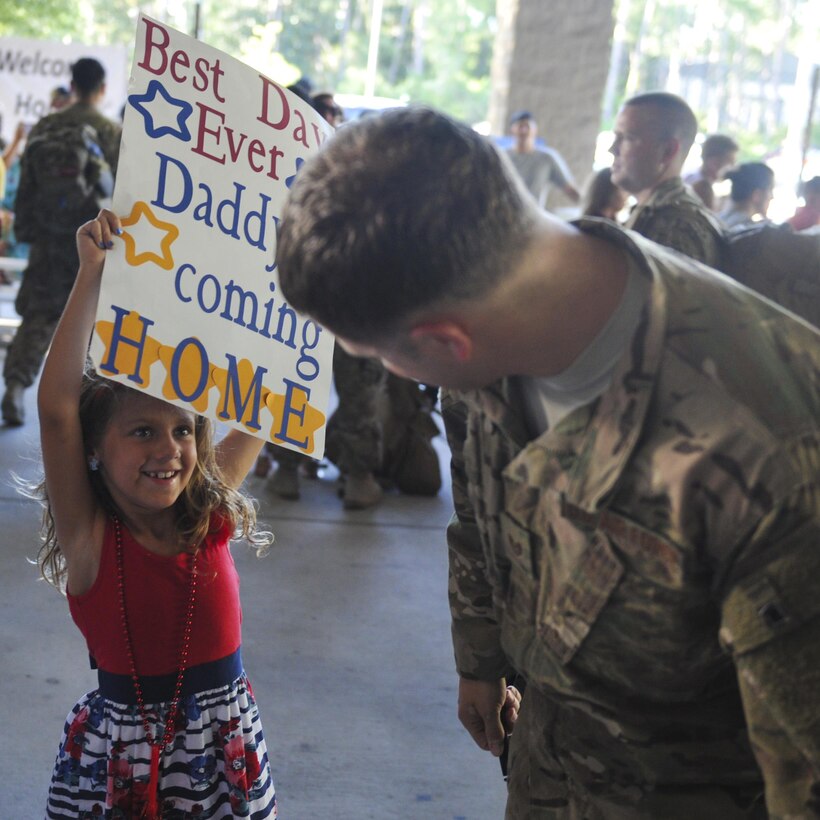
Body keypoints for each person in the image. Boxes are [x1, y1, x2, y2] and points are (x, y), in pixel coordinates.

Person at [274, 106, 820, 819]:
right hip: (545, 765)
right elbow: (477, 515)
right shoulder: (495, 334)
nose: (375, 367)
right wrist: (480, 660)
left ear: (444, 341)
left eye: (374, 355)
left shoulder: (769, 447)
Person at [37, 210, 277, 817]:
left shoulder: (208, 515)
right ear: (93, 449)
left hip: (225, 757)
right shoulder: (90, 541)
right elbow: (57, 409)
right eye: (142, 431)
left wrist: (277, 285)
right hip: (121, 766)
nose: (168, 450)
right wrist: (91, 272)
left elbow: (267, 396)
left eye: (182, 430)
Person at [3, 57, 121, 427]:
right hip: (95, 245)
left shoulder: (45, 126)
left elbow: (27, 186)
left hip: (48, 243)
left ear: (72, 85)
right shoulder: (110, 132)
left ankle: (15, 390)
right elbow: (122, 194)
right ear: (101, 89)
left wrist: (24, 233)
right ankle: (88, 410)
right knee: (91, 325)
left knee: (37, 316)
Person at [611, 91, 724, 266]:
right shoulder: (655, 211)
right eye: (615, 137)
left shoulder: (675, 227)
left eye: (627, 138)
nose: (612, 149)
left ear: (667, 151)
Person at [505, 110, 580, 211]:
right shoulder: (502, 157)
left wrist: (590, 207)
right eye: (520, 127)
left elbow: (569, 189)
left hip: (534, 216)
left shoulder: (547, 158)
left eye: (527, 126)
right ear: (512, 130)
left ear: (534, 130)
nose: (523, 131)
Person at [684, 133, 739, 211]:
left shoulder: (692, 179)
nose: (733, 168)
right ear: (713, 162)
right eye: (730, 162)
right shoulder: (700, 188)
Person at [719, 161, 775, 229]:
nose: (772, 197)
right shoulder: (748, 230)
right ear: (757, 194)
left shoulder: (718, 219)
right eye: (770, 190)